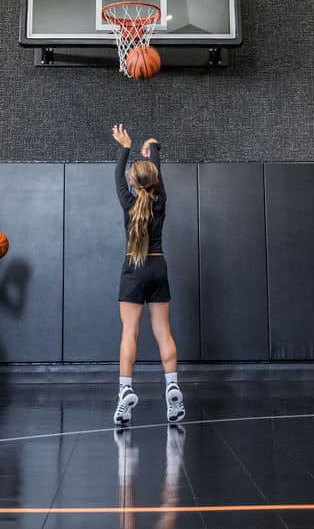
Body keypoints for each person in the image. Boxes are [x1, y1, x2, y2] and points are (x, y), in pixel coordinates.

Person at [111, 123, 185, 426]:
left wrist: (125, 147)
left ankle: (125, 392)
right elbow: (156, 172)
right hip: (158, 266)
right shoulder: (161, 201)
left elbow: (119, 175)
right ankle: (172, 385)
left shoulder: (129, 203)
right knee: (163, 332)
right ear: (155, 182)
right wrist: (151, 146)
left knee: (130, 333)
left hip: (133, 268)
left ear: (132, 181)